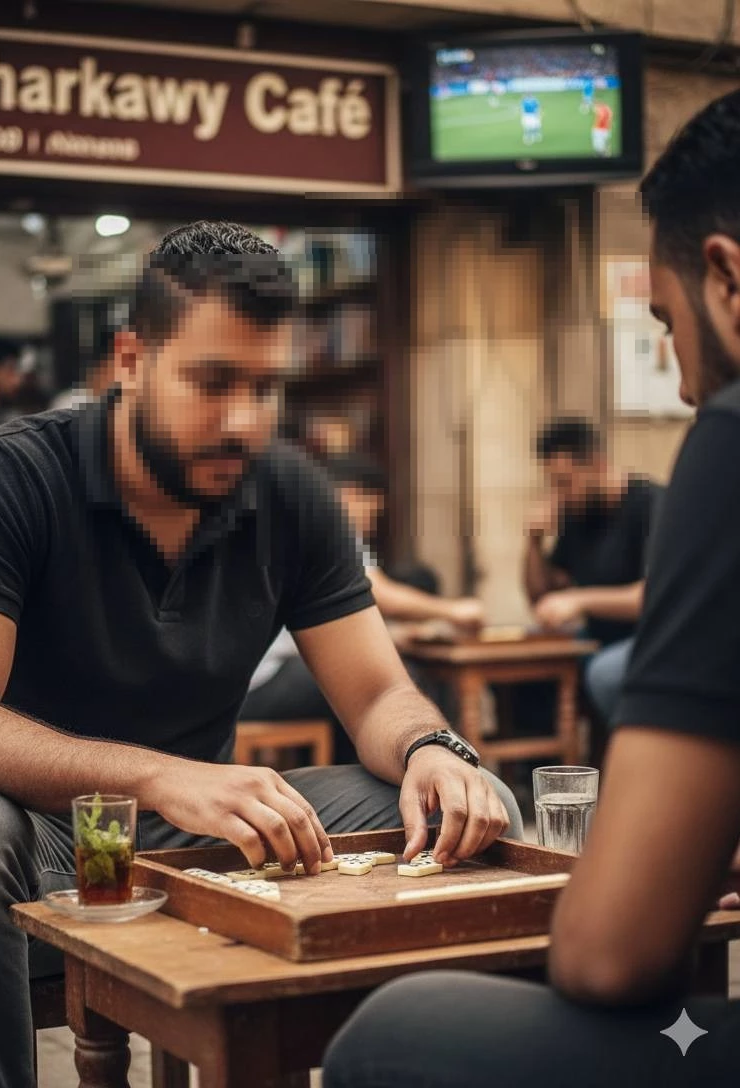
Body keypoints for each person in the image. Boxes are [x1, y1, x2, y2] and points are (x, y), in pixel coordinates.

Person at [0, 222, 522, 1088]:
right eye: (212, 382)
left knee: (470, 815)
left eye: (265, 387)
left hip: (205, 827)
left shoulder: (290, 492)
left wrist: (431, 751)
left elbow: (376, 696)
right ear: (132, 360)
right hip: (40, 834)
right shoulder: (9, 476)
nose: (243, 421)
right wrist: (155, 776)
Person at [323, 86, 740, 1088]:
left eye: (668, 327)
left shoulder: (721, 446)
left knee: (397, 1028)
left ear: (725, 280)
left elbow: (609, 953)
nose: (683, 382)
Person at [242, 455, 484, 761]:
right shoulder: (325, 526)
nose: (374, 518)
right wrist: (453, 611)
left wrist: (394, 636)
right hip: (259, 685)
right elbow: (379, 591)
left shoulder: (288, 525)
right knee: (394, 684)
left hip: (257, 683)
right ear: (348, 495)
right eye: (372, 506)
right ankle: (421, 768)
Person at [523, 416, 662, 754]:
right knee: (528, 661)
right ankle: (537, 777)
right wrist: (533, 542)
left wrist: (580, 600)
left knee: (604, 673)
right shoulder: (577, 512)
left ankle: (633, 764)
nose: (559, 494)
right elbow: (542, 595)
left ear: (598, 465)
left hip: (652, 639)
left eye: (564, 482)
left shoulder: (652, 504)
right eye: (552, 483)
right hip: (595, 639)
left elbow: (654, 595)